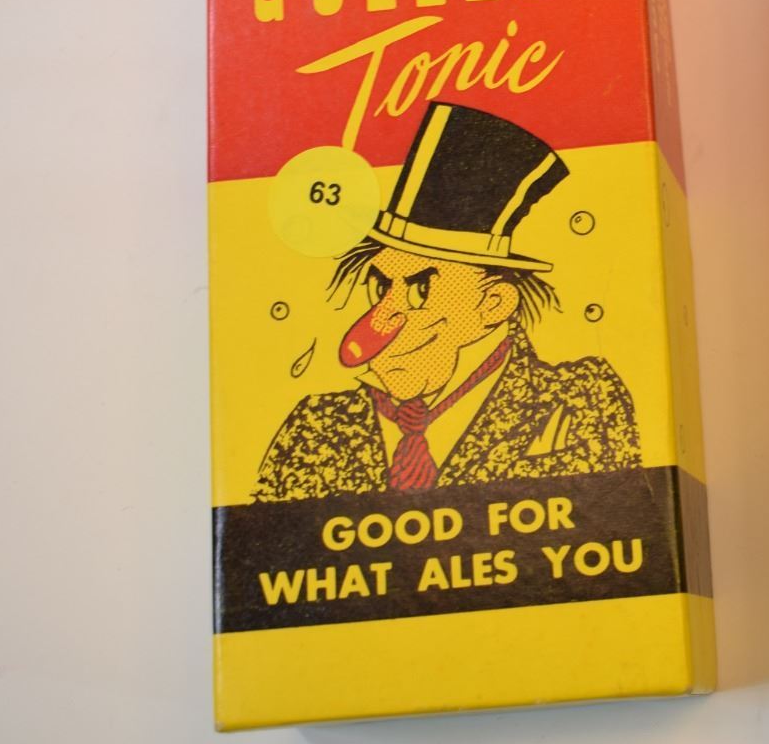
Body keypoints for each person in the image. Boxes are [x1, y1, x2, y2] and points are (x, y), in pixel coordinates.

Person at [254, 103, 638, 501]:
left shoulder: (578, 398)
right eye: (381, 287)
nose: (382, 319)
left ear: (493, 304)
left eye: (419, 290)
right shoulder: (316, 425)